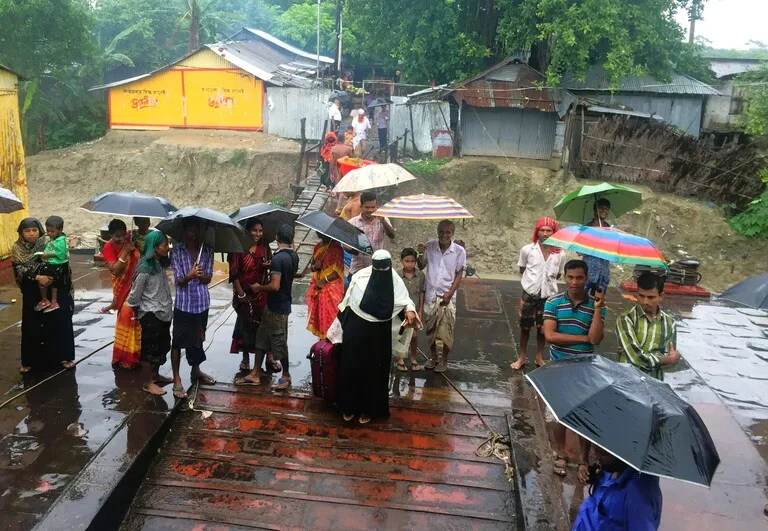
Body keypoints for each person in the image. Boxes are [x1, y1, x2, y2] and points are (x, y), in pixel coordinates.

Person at [338, 250, 421, 424]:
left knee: (374, 372)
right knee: (352, 367)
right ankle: (349, 407)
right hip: (357, 329)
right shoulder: (360, 278)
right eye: (379, 268)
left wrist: (410, 310)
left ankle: (369, 410)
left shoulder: (394, 279)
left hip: (379, 334)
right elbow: (348, 302)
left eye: (385, 268)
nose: (382, 272)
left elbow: (404, 299)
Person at [542, 259, 606, 479]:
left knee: (583, 416)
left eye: (579, 278)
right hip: (558, 366)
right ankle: (560, 453)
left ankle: (583, 460)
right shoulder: (553, 302)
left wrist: (597, 310)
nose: (574, 282)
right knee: (556, 416)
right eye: (570, 277)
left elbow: (596, 338)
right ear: (564, 278)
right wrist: (582, 338)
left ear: (586, 279)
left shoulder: (596, 305)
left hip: (585, 369)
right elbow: (550, 336)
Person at [236, 223, 299, 390]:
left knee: (279, 342)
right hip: (277, 305)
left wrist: (259, 287)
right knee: (261, 339)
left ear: (277, 238)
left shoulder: (278, 259)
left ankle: (286, 375)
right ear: (292, 239)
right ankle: (255, 373)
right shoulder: (293, 256)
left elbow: (275, 286)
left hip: (277, 307)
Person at [11, 218, 76, 373]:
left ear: (40, 231)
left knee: (59, 322)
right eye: (27, 231)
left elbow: (62, 260)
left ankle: (64, 357)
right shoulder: (17, 248)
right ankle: (29, 361)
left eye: (34, 230)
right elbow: (18, 270)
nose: (31, 234)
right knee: (31, 325)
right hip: (32, 291)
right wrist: (37, 277)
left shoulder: (48, 242)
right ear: (21, 233)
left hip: (55, 287)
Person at [228, 218, 282, 374]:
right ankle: (245, 358)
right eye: (254, 230)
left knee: (265, 325)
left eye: (260, 231)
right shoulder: (238, 247)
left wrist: (268, 265)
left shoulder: (264, 245)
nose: (257, 234)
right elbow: (234, 274)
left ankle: (269, 357)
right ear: (247, 231)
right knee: (245, 324)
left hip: (261, 292)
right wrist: (241, 294)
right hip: (244, 293)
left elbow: (272, 263)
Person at [169, 218, 216, 399]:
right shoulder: (177, 252)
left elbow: (208, 278)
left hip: (201, 303)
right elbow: (179, 281)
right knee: (178, 342)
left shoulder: (207, 251)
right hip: (184, 304)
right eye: (190, 230)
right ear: (184, 231)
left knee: (198, 339)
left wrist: (202, 275)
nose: (193, 234)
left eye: (196, 230)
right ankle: (176, 379)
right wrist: (190, 275)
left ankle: (196, 370)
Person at [511, 217, 566, 370]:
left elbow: (559, 274)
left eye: (549, 230)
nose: (545, 233)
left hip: (548, 297)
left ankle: (539, 356)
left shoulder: (560, 254)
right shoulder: (528, 250)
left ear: (554, 233)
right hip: (529, 294)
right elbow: (523, 269)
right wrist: (533, 283)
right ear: (537, 232)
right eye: (542, 230)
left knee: (543, 329)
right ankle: (521, 357)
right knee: (525, 327)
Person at [127, 230, 175, 396]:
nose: (167, 248)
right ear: (155, 247)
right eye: (164, 245)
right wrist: (137, 310)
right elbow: (134, 295)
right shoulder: (145, 268)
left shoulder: (159, 263)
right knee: (149, 350)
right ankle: (147, 383)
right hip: (150, 314)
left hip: (163, 311)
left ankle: (155, 375)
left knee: (162, 346)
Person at [573, 445, 662, 530]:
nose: (597, 458)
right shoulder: (611, 468)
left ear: (621, 452)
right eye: (596, 451)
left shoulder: (638, 495)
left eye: (603, 454)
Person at [417, 220, 466, 374]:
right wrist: (419, 252)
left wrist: (450, 293)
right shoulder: (430, 246)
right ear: (437, 232)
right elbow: (420, 266)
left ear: (452, 233)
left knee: (446, 330)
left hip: (448, 297)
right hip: (431, 294)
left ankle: (444, 360)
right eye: (441, 232)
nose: (444, 235)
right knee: (430, 329)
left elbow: (459, 274)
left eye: (448, 232)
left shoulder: (459, 251)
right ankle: (433, 357)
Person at [616, 272, 680, 381]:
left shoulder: (669, 323)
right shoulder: (626, 319)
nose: (645, 301)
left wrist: (669, 360)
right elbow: (636, 358)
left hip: (654, 382)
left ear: (661, 296)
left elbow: (669, 360)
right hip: (627, 381)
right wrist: (666, 360)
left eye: (651, 297)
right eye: (641, 296)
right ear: (636, 294)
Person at [101, 219, 142, 369]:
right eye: (117, 236)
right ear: (111, 235)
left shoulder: (131, 240)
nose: (120, 239)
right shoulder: (108, 247)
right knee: (126, 314)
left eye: (123, 235)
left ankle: (136, 354)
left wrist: (133, 247)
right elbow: (115, 270)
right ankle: (124, 356)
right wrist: (125, 251)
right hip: (122, 287)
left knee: (138, 319)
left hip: (138, 284)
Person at [348, 191, 396, 278]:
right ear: (361, 207)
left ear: (377, 206)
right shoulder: (352, 223)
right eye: (367, 207)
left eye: (373, 207)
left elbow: (392, 235)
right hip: (357, 270)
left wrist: (383, 222)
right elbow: (346, 245)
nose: (370, 210)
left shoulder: (383, 220)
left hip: (378, 269)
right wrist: (355, 249)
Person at [306, 233, 345, 339]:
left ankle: (331, 341)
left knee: (331, 316)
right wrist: (315, 266)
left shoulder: (337, 250)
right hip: (318, 285)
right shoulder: (317, 247)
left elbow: (338, 271)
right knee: (320, 316)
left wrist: (324, 280)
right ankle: (322, 342)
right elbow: (312, 266)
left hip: (331, 287)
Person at [396, 248, 424, 372]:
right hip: (400, 311)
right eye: (407, 261)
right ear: (401, 261)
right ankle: (400, 359)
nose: (410, 264)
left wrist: (420, 311)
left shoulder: (420, 275)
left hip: (415, 310)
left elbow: (422, 294)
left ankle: (413, 357)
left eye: (412, 261)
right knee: (401, 334)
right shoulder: (396, 275)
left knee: (414, 336)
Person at [35, 215, 69, 313]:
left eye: (52, 231)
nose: (49, 233)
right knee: (51, 285)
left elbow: (61, 255)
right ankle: (49, 301)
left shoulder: (60, 241)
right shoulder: (52, 239)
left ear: (60, 230)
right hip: (51, 264)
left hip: (56, 266)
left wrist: (47, 255)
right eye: (48, 231)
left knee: (48, 284)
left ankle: (50, 301)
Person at [583, 198, 612, 296]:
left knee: (599, 301)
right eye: (601, 208)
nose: (604, 211)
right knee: (582, 298)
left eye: (606, 209)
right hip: (588, 270)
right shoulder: (587, 228)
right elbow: (579, 250)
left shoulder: (610, 230)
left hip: (603, 272)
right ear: (595, 210)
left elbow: (612, 249)